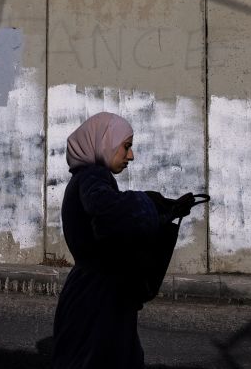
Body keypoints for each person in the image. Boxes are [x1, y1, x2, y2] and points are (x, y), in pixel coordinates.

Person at [52, 112, 199, 368]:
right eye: (126, 147)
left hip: (94, 292)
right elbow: (109, 211)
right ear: (105, 141)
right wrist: (154, 205)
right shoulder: (93, 177)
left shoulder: (85, 178)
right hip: (98, 299)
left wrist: (166, 209)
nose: (130, 156)